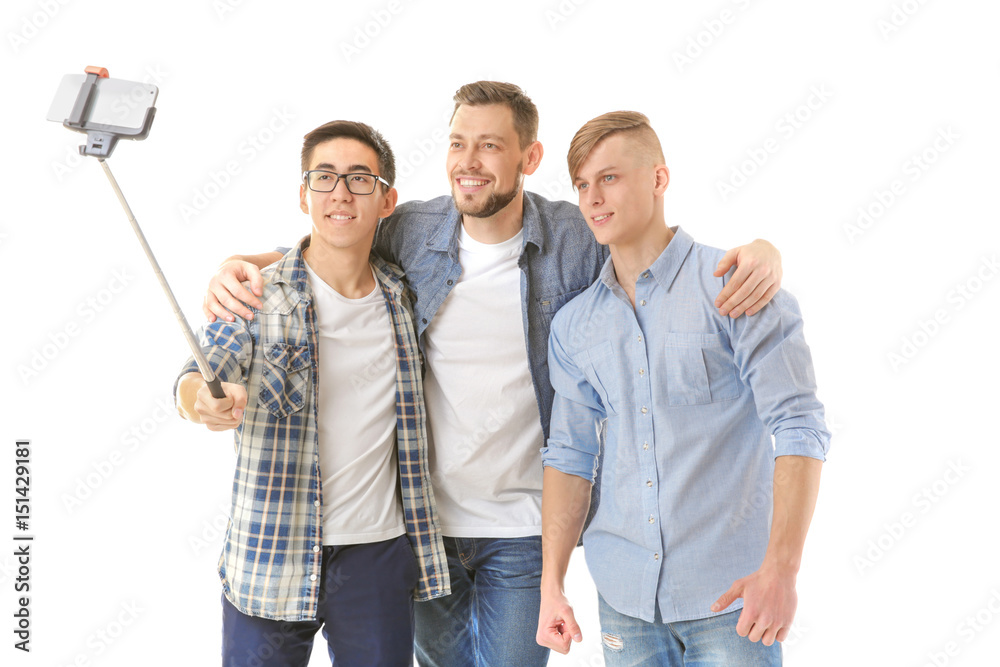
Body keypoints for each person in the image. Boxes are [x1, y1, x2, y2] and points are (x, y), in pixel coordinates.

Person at [200, 82, 785, 667]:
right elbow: (333, 242)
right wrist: (244, 264)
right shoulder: (412, 230)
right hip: (423, 527)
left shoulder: (575, 237)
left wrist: (761, 250)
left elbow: (651, 247)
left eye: (489, 146)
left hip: (523, 530)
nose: (468, 163)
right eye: (458, 143)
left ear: (529, 159)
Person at [536, 111, 830, 666]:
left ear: (658, 179)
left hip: (731, 597)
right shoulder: (575, 325)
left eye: (610, 177)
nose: (593, 198)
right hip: (623, 598)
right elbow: (570, 455)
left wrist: (782, 573)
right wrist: (553, 585)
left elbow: (798, 427)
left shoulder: (736, 286)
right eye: (581, 184)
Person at [175, 120, 449, 666]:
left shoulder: (404, 295)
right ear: (304, 195)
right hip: (269, 553)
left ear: (386, 199)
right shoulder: (255, 294)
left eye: (359, 178)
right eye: (324, 177)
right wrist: (201, 401)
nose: (341, 193)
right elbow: (199, 372)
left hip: (376, 555)